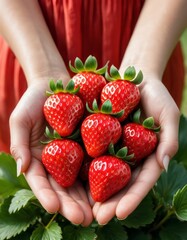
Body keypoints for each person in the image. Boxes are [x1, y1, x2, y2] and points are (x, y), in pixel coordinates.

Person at [0, 0, 186, 226]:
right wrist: (42, 70)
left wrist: (144, 64)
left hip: (154, 34)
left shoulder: (129, 102)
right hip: (28, 38)